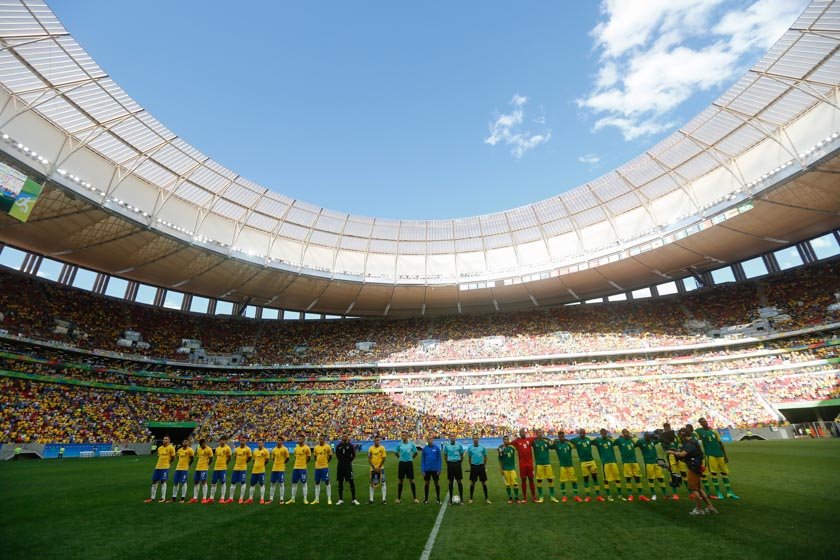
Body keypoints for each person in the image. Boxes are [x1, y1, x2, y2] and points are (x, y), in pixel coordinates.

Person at [666, 425, 718, 516]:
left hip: (694, 468)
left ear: (683, 435)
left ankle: (699, 509)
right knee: (699, 489)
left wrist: (672, 452)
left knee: (693, 489)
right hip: (697, 466)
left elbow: (682, 454)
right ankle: (710, 507)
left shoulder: (690, 443)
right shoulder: (693, 441)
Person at [696, 417, 740, 500]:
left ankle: (729, 493)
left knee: (724, 473)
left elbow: (720, 443)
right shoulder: (699, 431)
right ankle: (719, 493)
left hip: (720, 455)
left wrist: (725, 455)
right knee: (714, 474)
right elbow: (692, 435)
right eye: (702, 422)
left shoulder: (714, 431)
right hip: (710, 455)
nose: (705, 422)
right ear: (700, 424)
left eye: (705, 421)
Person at [571, 429, 603, 502]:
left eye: (583, 433)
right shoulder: (575, 440)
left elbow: (597, 440)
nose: (582, 434)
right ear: (579, 433)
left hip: (591, 461)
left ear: (585, 433)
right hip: (583, 462)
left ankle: (598, 496)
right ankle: (588, 496)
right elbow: (568, 441)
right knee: (586, 479)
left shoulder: (589, 439)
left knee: (595, 478)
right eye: (581, 433)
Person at [615, 429, 646, 502]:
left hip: (634, 461)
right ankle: (630, 495)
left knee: (637, 477)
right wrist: (619, 437)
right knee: (628, 478)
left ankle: (641, 495)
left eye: (627, 432)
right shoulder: (619, 440)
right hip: (626, 462)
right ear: (622, 434)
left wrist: (632, 437)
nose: (626, 434)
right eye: (624, 433)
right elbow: (613, 442)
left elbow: (639, 442)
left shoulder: (632, 440)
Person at [636, 432, 668, 501]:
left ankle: (665, 494)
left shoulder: (652, 441)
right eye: (647, 436)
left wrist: (659, 435)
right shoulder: (641, 442)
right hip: (648, 462)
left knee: (660, 478)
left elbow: (660, 439)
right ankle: (653, 494)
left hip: (656, 461)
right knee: (651, 479)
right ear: (644, 436)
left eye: (649, 436)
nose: (649, 437)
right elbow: (634, 445)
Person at [552, 431, 581, 503]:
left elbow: (576, 444)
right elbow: (550, 446)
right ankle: (564, 496)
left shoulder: (568, 444)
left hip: (570, 465)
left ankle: (576, 496)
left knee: (574, 481)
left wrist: (569, 440)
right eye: (560, 436)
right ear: (558, 437)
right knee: (562, 482)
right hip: (563, 466)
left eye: (563, 436)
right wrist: (554, 441)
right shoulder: (557, 444)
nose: (562, 437)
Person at [144, 436, 175, 503]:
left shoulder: (171, 448)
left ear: (169, 440)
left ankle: (163, 498)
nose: (164, 440)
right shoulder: (160, 448)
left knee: (163, 481)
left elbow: (173, 457)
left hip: (165, 467)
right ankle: (152, 498)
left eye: (166, 439)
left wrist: (168, 463)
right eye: (164, 439)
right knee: (154, 481)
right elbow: (159, 456)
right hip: (158, 467)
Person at [510, 429, 538, 503]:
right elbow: (508, 444)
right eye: (521, 432)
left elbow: (538, 437)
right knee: (523, 480)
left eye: (523, 432)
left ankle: (534, 497)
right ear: (519, 433)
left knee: (531, 479)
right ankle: (524, 497)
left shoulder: (529, 439)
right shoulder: (517, 441)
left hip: (530, 464)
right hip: (522, 464)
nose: (522, 433)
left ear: (525, 433)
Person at [594, 429, 622, 501]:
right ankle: (609, 495)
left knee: (617, 478)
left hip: (613, 462)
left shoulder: (610, 440)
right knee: (606, 480)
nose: (604, 434)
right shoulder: (597, 441)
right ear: (600, 433)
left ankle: (620, 495)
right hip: (605, 463)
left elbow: (618, 440)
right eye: (603, 433)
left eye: (605, 433)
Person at [532, 429, 557, 503]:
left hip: (547, 463)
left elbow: (552, 447)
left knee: (550, 479)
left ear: (542, 433)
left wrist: (553, 442)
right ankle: (541, 497)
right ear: (536, 434)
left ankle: (552, 496)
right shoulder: (534, 442)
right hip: (539, 464)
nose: (540, 434)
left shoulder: (546, 441)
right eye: (538, 433)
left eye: (541, 433)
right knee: (539, 480)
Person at [394, 431, 418, 504]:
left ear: (407, 436)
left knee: (412, 480)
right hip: (402, 463)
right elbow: (396, 452)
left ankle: (415, 498)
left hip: (409, 463)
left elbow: (416, 453)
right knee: (400, 480)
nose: (402, 437)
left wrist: (411, 458)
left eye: (404, 435)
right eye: (402, 435)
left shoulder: (411, 444)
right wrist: (400, 458)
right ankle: (398, 498)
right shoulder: (399, 444)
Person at [335, 433, 359, 505]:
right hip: (340, 466)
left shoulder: (351, 445)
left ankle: (354, 499)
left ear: (347, 437)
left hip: (348, 467)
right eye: (343, 436)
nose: (344, 437)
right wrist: (342, 461)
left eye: (345, 436)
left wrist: (349, 461)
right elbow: (337, 455)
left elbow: (354, 455)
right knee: (340, 482)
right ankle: (340, 499)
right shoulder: (338, 446)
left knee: (351, 481)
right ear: (342, 437)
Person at [288, 434, 311, 505]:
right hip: (296, 467)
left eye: (300, 439)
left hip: (303, 468)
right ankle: (293, 498)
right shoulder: (296, 448)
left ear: (303, 440)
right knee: (294, 483)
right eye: (298, 439)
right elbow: (295, 457)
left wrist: (304, 463)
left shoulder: (307, 448)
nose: (298, 440)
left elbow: (309, 458)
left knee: (304, 483)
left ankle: (305, 499)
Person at [466, 436, 490, 504]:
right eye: (474, 438)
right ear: (472, 439)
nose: (475, 439)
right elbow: (469, 458)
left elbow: (485, 457)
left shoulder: (482, 447)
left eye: (476, 438)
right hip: (474, 466)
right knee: (472, 482)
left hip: (481, 466)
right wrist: (471, 466)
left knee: (484, 482)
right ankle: (471, 498)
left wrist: (483, 465)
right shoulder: (470, 448)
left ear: (478, 439)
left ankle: (487, 498)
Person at [209, 436, 232, 504]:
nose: (222, 441)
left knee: (223, 482)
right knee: (213, 483)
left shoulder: (228, 448)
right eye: (221, 440)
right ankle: (211, 497)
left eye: (223, 440)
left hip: (223, 468)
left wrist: (225, 464)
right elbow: (216, 456)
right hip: (216, 468)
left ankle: (222, 498)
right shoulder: (217, 449)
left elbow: (229, 457)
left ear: (225, 441)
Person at [498, 435, 521, 504]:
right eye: (505, 439)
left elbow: (517, 444)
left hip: (512, 469)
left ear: (509, 440)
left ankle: (516, 497)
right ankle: (510, 497)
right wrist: (501, 469)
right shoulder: (501, 448)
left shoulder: (512, 447)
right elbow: (500, 459)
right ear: (503, 440)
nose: (506, 441)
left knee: (515, 484)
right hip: (505, 469)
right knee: (507, 485)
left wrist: (517, 438)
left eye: (507, 439)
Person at [442, 434, 464, 504]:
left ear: (455, 438)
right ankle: (450, 499)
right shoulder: (447, 446)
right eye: (451, 436)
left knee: (459, 481)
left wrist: (459, 462)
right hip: (450, 464)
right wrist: (448, 463)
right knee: (450, 482)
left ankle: (462, 499)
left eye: (453, 436)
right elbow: (445, 455)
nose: (452, 437)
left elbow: (462, 455)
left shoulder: (459, 445)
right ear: (449, 438)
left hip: (457, 464)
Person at [311, 435, 333, 505]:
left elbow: (330, 456)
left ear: (324, 440)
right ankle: (317, 499)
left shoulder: (327, 447)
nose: (320, 440)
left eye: (322, 439)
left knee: (327, 481)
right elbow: (315, 457)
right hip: (317, 468)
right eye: (319, 439)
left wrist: (326, 462)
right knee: (317, 482)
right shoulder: (316, 448)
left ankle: (329, 499)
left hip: (324, 467)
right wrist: (318, 463)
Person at [421, 435, 442, 505]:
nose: (430, 440)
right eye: (428, 439)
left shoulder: (437, 448)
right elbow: (422, 460)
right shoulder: (424, 449)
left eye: (431, 439)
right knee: (426, 483)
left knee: (437, 483)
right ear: (427, 440)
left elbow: (439, 459)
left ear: (433, 440)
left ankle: (438, 499)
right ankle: (426, 499)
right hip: (427, 469)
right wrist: (423, 470)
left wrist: (439, 469)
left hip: (435, 469)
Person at [268, 436, 290, 504]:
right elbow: (273, 458)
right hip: (274, 468)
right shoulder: (274, 449)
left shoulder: (285, 449)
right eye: (277, 440)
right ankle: (271, 498)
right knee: (272, 483)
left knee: (281, 484)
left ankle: (281, 499)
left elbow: (287, 458)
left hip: (281, 469)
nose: (278, 442)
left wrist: (282, 463)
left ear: (282, 441)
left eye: (280, 440)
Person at [232, 438, 252, 504]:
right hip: (236, 468)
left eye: (243, 440)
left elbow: (249, 458)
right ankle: (231, 498)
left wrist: (244, 463)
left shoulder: (248, 449)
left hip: (243, 468)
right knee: (233, 482)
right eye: (241, 440)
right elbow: (235, 457)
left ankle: (241, 498)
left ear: (245, 441)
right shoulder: (237, 449)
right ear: (239, 441)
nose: (242, 441)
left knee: (242, 482)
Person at [368, 435, 387, 504]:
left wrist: (379, 467)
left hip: (381, 469)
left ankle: (384, 499)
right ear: (374, 441)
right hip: (372, 469)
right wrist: (373, 467)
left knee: (383, 483)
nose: (377, 441)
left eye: (378, 440)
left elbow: (384, 458)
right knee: (372, 484)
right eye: (376, 440)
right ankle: (371, 499)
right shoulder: (370, 449)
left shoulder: (382, 448)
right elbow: (369, 459)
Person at [192, 439, 213, 503]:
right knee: (195, 482)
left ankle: (204, 498)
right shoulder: (199, 449)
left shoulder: (209, 449)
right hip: (198, 467)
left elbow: (211, 459)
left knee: (203, 482)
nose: (203, 445)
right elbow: (199, 457)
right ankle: (195, 498)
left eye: (204, 443)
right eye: (201, 444)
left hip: (204, 468)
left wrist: (207, 465)